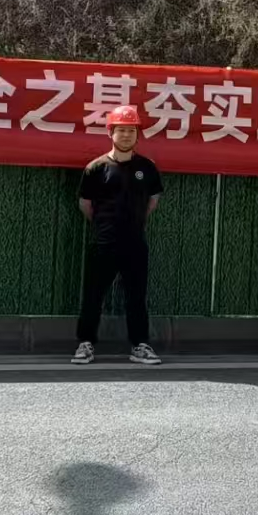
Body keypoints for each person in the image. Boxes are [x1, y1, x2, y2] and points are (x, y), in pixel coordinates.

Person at [71, 105, 163, 365]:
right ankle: (85, 344)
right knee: (93, 296)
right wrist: (105, 225)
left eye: (131, 130)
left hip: (135, 243)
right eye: (121, 130)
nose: (126, 135)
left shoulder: (147, 167)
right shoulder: (96, 168)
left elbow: (152, 201)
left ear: (137, 134)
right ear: (110, 132)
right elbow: (85, 204)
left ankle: (140, 345)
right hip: (103, 243)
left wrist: (133, 222)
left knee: (136, 297)